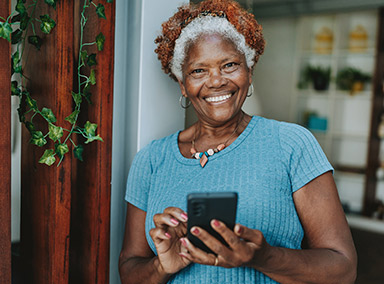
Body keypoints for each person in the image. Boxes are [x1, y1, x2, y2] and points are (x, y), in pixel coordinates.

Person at [118, 0, 357, 283]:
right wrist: (162, 266)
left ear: (249, 70)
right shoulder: (151, 160)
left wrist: (261, 257)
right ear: (182, 84)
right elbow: (129, 271)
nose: (216, 81)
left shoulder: (291, 145)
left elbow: (343, 270)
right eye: (198, 71)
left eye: (229, 65)